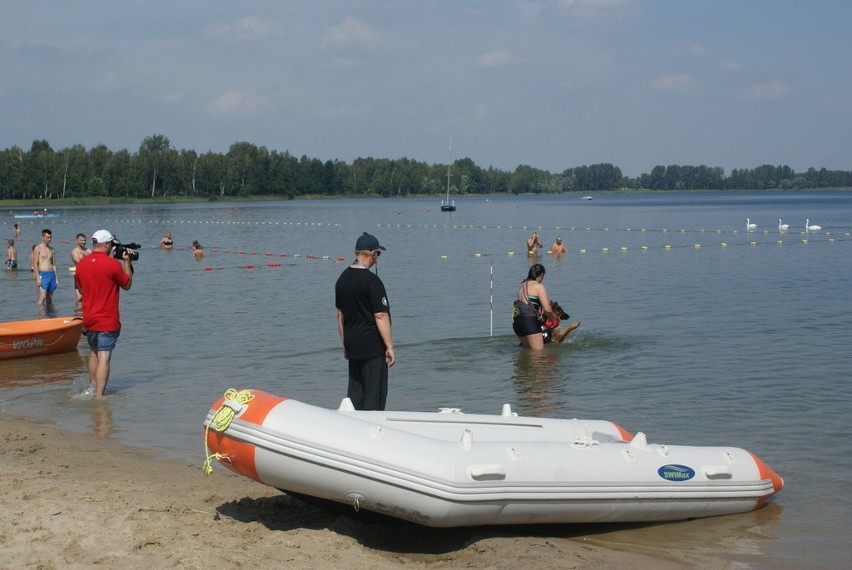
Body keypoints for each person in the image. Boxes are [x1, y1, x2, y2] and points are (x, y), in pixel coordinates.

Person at [335, 232, 395, 410]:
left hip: (352, 344)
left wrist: (345, 343)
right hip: (372, 347)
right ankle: (371, 430)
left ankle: (352, 427)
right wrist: (389, 346)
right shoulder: (372, 282)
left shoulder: (342, 279)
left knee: (355, 394)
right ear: (373, 253)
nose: (377, 259)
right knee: (374, 394)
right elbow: (381, 315)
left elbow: (340, 315)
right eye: (378, 254)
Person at [75, 229, 134, 399]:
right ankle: (99, 396)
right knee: (104, 356)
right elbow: (127, 284)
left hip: (89, 317)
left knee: (93, 352)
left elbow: (80, 290)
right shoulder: (112, 264)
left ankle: (92, 388)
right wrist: (126, 262)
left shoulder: (82, 264)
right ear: (107, 245)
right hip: (107, 318)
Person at [512, 264, 580, 350]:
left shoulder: (522, 285)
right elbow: (547, 309)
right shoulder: (539, 286)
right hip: (529, 322)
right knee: (538, 356)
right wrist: (553, 320)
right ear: (541, 275)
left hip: (517, 323)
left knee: (527, 353)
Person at [33, 229, 58, 305]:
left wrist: (56, 278)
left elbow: (54, 264)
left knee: (49, 298)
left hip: (52, 274)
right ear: (42, 237)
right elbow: (35, 264)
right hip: (43, 274)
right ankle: (40, 315)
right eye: (47, 237)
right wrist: (37, 277)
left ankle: (50, 315)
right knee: (42, 296)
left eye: (50, 237)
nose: (49, 239)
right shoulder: (38, 248)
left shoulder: (52, 249)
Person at [70, 233, 91, 304]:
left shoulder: (89, 251)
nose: (84, 242)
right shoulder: (74, 251)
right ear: (77, 241)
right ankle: (78, 313)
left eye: (85, 240)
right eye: (82, 240)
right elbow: (79, 263)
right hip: (79, 276)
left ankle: (86, 313)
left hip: (89, 276)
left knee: (88, 296)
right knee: (79, 298)